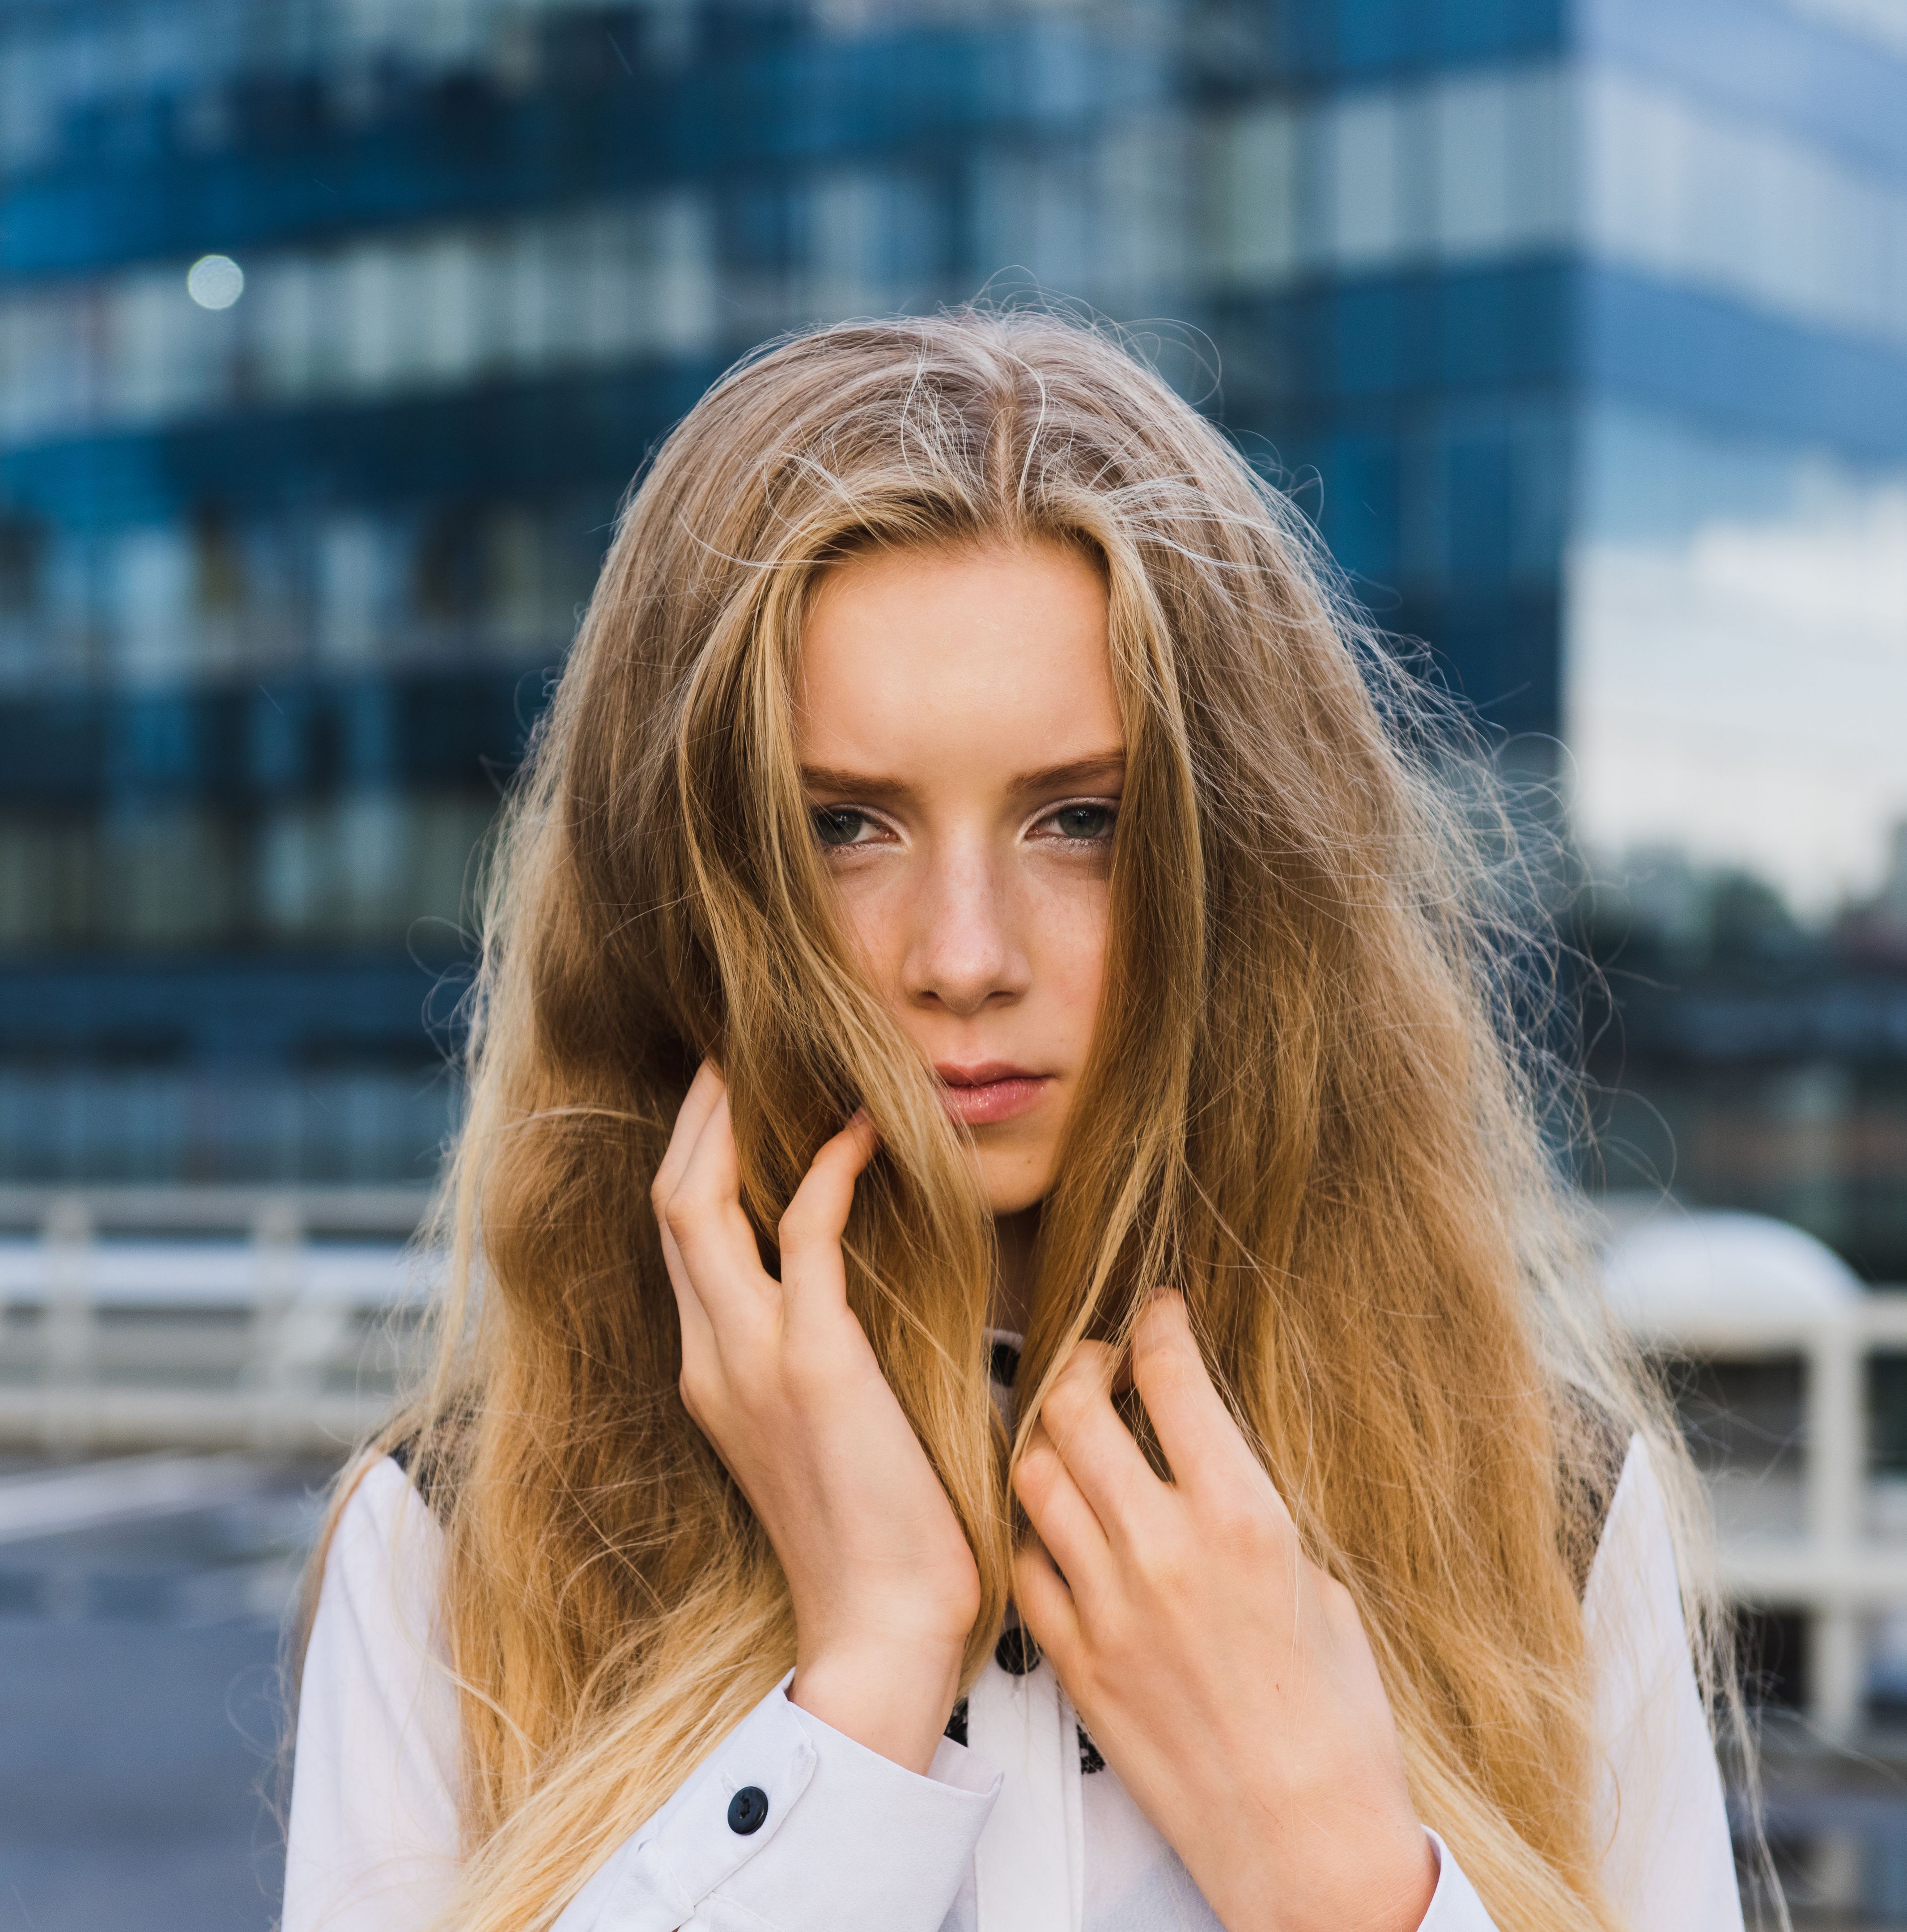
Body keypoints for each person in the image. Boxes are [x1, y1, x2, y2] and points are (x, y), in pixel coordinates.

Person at [283, 311, 1750, 1932]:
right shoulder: (459, 1539)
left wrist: (1338, 1878)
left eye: (1081, 821)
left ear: (1235, 866)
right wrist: (866, 1678)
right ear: (691, 892)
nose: (965, 958)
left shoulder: (1535, 1505)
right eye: (844, 826)